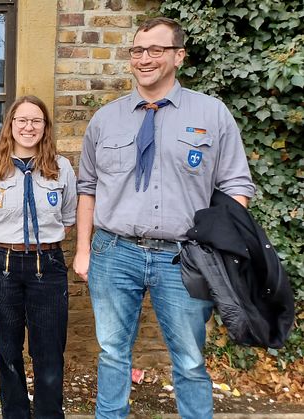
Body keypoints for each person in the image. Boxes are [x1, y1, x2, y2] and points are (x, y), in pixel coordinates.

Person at [73, 17, 255, 418]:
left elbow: (236, 185)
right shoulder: (106, 119)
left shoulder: (212, 113)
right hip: (113, 252)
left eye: (156, 50)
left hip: (184, 257)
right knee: (112, 353)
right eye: (138, 50)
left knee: (189, 359)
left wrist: (220, 248)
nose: (144, 58)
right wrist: (83, 250)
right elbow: (87, 188)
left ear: (178, 56)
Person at [0, 96, 76, 418]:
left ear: (45, 127)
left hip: (49, 265)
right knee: (8, 349)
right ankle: (15, 412)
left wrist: (39, 248)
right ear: (10, 126)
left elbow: (68, 218)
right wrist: (11, 245)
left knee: (49, 349)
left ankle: (48, 413)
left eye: (36, 121)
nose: (28, 127)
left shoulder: (62, 168)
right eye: (22, 120)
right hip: (2, 265)